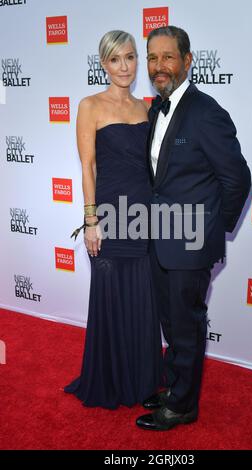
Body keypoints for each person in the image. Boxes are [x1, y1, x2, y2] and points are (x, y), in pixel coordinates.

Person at [136, 26, 251, 430]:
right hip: (158, 238)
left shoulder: (206, 112)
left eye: (168, 57)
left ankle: (183, 407)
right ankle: (176, 387)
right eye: (153, 58)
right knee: (172, 322)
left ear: (187, 61)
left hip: (190, 242)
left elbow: (237, 180)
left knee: (186, 323)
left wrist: (208, 232)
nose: (158, 66)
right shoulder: (156, 108)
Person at [64, 30, 162, 409]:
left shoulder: (147, 108)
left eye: (131, 57)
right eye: (116, 59)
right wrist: (91, 220)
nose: (125, 66)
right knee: (111, 296)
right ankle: (112, 379)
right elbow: (87, 166)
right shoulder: (90, 106)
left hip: (146, 214)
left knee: (143, 297)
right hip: (109, 214)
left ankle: (143, 378)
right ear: (103, 64)